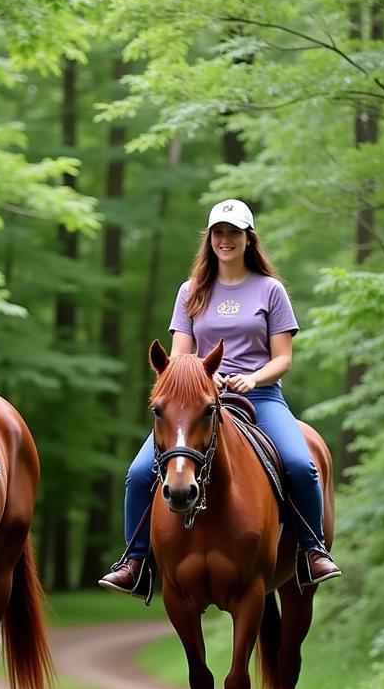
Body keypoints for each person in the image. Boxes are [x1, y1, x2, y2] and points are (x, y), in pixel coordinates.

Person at [99, 197, 340, 596]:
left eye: (234, 233)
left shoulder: (271, 290)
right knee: (139, 473)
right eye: (219, 233)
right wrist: (199, 382)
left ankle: (312, 551)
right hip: (199, 403)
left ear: (249, 239)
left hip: (260, 398)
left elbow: (283, 360)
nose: (225, 240)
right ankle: (134, 561)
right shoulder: (191, 291)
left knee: (301, 464)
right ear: (210, 239)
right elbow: (178, 357)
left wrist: (251, 378)